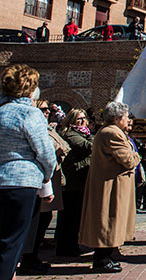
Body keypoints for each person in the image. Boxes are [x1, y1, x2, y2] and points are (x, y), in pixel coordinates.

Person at [0, 65, 56, 280]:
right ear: (31, 90)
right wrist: (46, 177)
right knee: (9, 244)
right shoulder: (30, 113)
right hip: (19, 183)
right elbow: (46, 153)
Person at [77, 101, 140, 273]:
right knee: (108, 220)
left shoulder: (109, 132)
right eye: (126, 117)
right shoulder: (112, 134)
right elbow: (127, 160)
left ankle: (107, 256)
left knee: (111, 219)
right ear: (116, 118)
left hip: (112, 183)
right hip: (110, 185)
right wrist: (137, 155)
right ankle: (102, 259)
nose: (128, 120)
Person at [18, 99, 71, 275]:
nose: (47, 112)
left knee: (43, 219)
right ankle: (28, 257)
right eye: (43, 108)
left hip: (47, 178)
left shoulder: (46, 126)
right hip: (39, 178)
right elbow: (51, 150)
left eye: (48, 109)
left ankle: (32, 254)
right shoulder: (34, 124)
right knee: (34, 221)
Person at [56, 108, 94, 257]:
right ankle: (65, 247)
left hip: (81, 177)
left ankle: (72, 244)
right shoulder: (70, 134)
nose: (83, 121)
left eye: (84, 118)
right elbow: (87, 147)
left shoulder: (84, 133)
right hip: (73, 179)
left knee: (76, 214)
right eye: (79, 119)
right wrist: (93, 137)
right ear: (72, 120)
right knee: (69, 215)